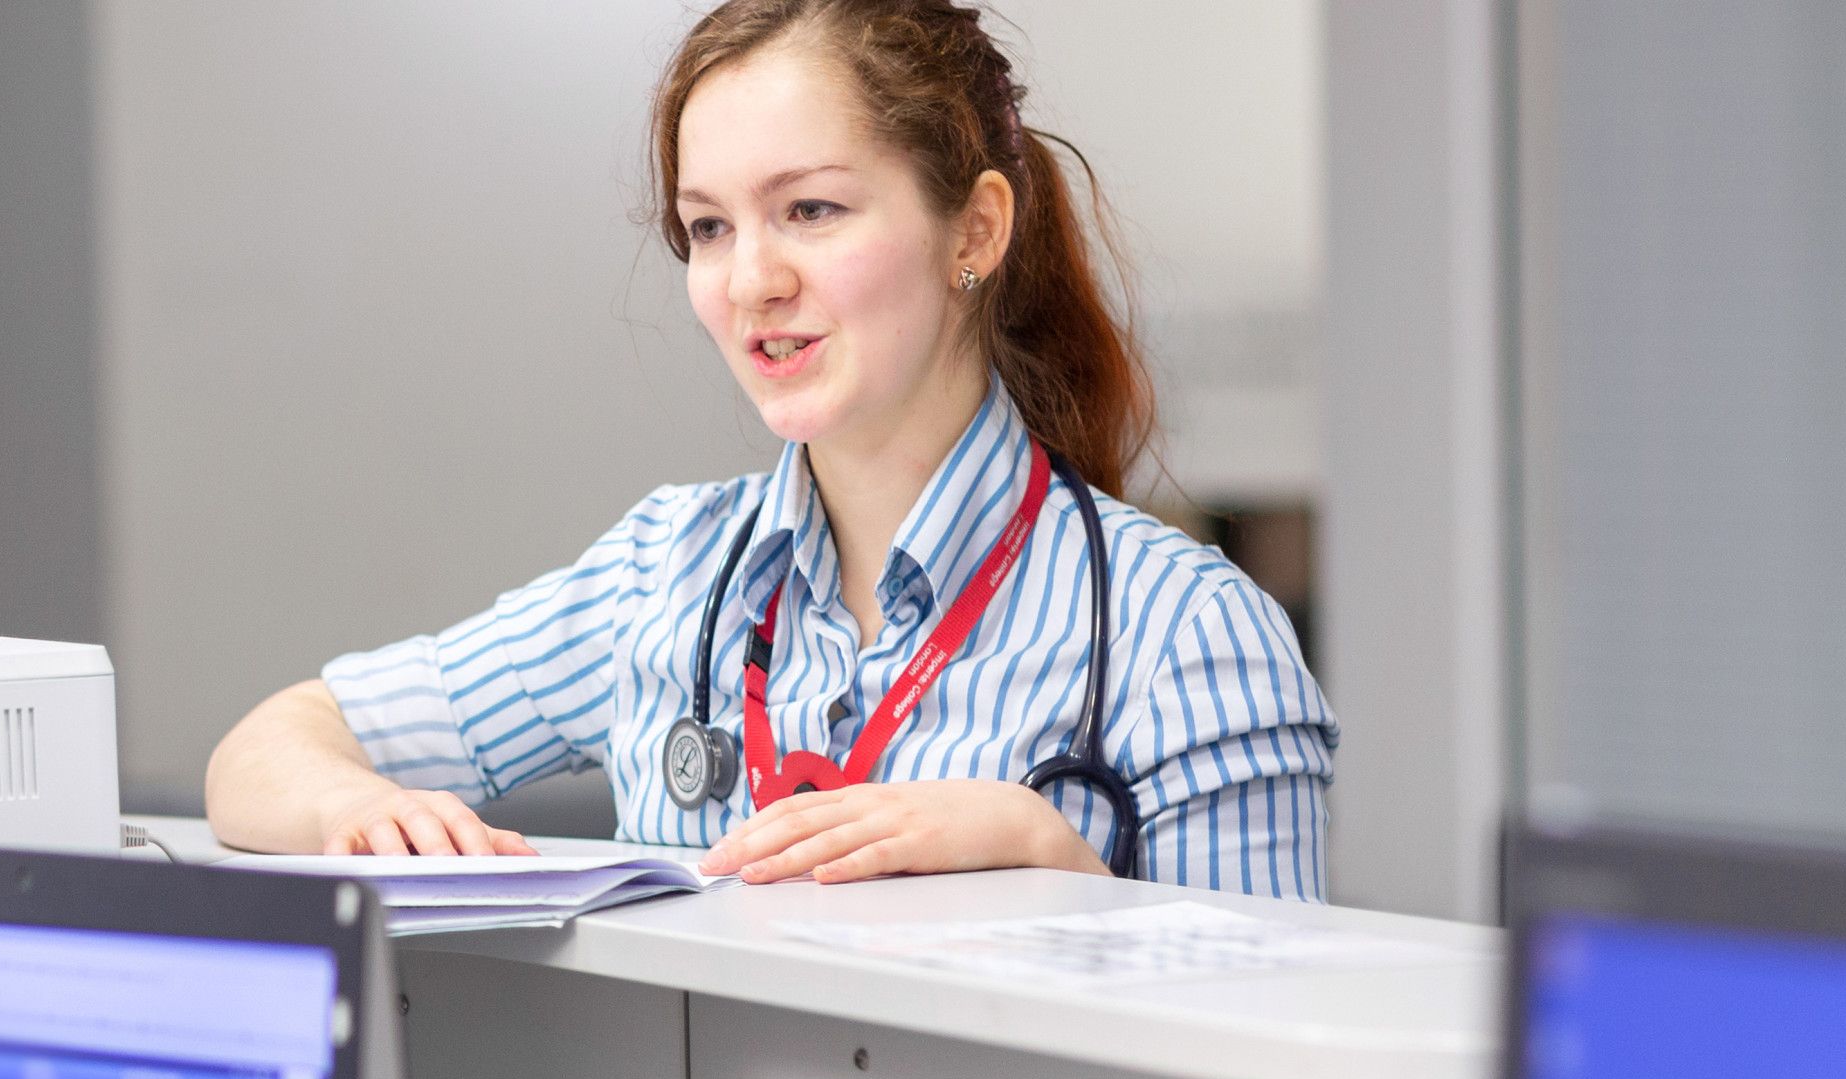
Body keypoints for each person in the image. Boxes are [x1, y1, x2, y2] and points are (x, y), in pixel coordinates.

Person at [204, 0, 1336, 899]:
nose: (750, 282)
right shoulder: (660, 574)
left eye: (810, 211)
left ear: (976, 230)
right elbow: (265, 751)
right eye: (708, 226)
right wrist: (345, 814)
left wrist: (1055, 869)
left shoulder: (1183, 634)